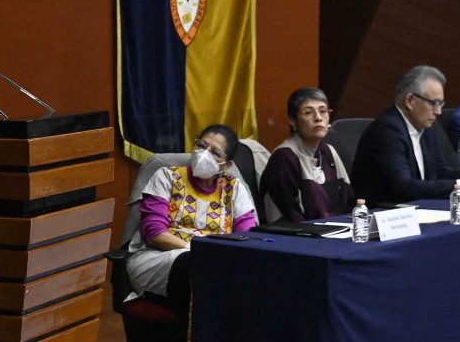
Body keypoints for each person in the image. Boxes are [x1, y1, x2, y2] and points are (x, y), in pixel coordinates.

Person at [126, 124, 258, 315]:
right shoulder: (166, 176)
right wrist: (198, 252)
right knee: (195, 266)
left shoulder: (234, 188)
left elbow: (248, 238)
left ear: (227, 165)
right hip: (158, 258)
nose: (204, 154)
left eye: (215, 153)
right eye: (201, 145)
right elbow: (155, 234)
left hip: (217, 263)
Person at [351, 65, 460, 206]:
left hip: (417, 209)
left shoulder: (425, 126)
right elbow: (404, 187)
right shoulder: (387, 130)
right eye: (434, 103)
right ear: (410, 100)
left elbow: (441, 172)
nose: (438, 111)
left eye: (441, 104)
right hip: (383, 215)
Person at [260, 87, 354, 221]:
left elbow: (348, 202)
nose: (318, 118)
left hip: (337, 233)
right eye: (308, 112)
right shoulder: (284, 158)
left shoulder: (329, 151)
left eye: (323, 111)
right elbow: (289, 217)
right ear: (292, 121)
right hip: (300, 237)